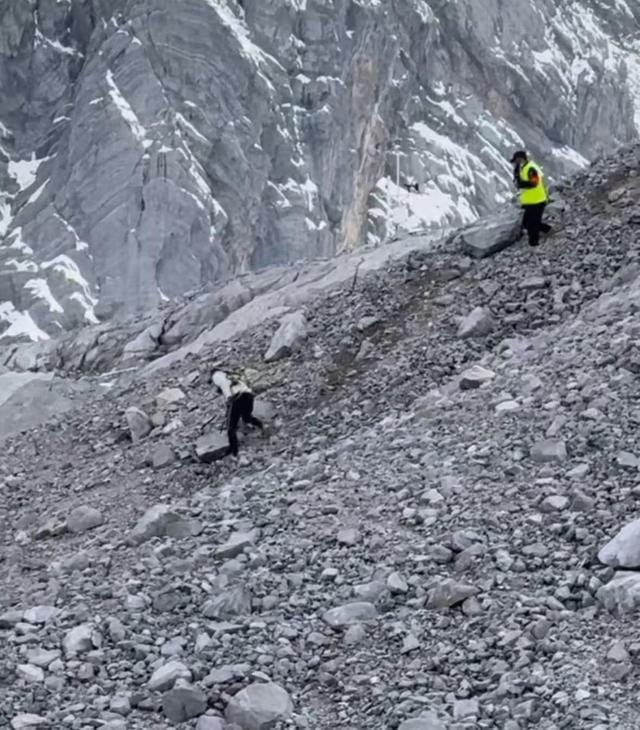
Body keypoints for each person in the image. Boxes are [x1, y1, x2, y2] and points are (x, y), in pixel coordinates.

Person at [210, 367, 264, 457]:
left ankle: (233, 450)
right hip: (248, 395)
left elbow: (225, 384)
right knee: (247, 417)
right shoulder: (229, 374)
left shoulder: (216, 375)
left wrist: (228, 398)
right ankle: (262, 426)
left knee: (231, 428)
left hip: (237, 398)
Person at [510, 150, 551, 247]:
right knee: (526, 223)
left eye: (516, 161)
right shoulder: (523, 168)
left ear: (521, 160)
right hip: (529, 201)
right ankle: (547, 230)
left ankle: (534, 245)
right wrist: (516, 174)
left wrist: (521, 184)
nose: (515, 164)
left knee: (532, 225)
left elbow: (534, 182)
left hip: (537, 201)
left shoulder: (530, 168)